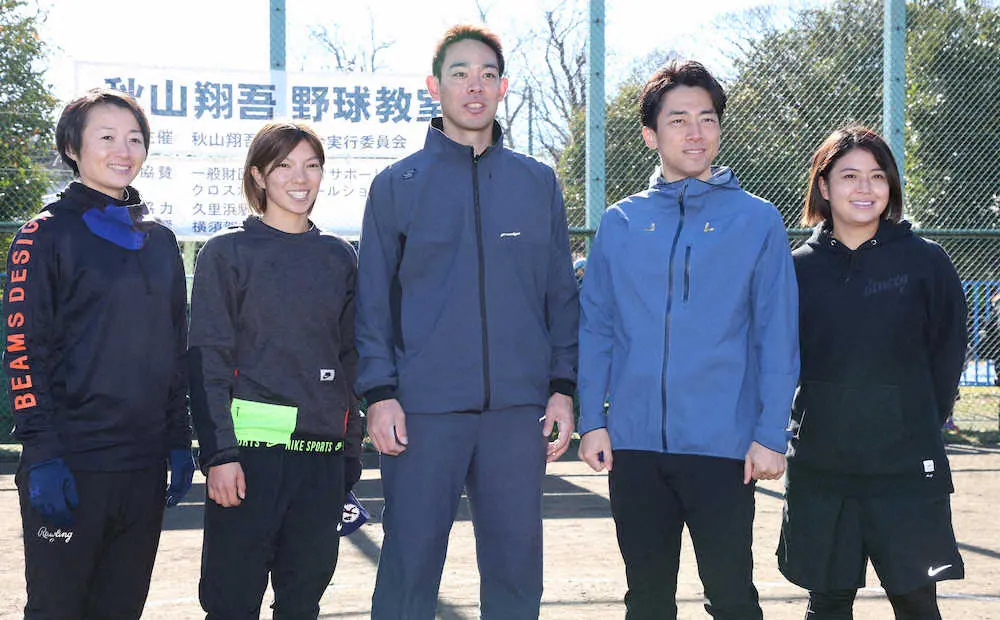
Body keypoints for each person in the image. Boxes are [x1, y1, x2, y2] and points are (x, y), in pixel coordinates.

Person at [355, 24, 579, 620]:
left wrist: (562, 388)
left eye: (487, 75)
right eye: (460, 74)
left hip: (517, 411)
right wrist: (379, 394)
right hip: (422, 410)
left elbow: (560, 295)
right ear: (435, 87)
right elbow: (372, 302)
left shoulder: (537, 182)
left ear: (503, 87)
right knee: (408, 569)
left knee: (515, 573)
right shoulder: (395, 186)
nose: (474, 86)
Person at [577, 60, 800, 620]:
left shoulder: (757, 220)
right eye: (678, 120)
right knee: (646, 599)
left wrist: (770, 433)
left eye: (707, 118)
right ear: (650, 135)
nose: (695, 132)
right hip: (634, 445)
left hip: (725, 447)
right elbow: (598, 328)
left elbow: (777, 335)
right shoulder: (620, 222)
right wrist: (592, 420)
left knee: (732, 597)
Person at [2, 87, 194, 619]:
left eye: (134, 138)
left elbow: (174, 351)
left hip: (143, 466)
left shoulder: (160, 242)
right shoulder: (43, 234)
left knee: (121, 608)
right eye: (106, 137)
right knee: (58, 608)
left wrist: (178, 440)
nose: (123, 151)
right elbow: (22, 350)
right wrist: (42, 452)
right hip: (71, 463)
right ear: (72, 147)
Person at [777, 126, 967, 619]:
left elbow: (947, 355)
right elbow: (779, 361)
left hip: (905, 467)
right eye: (849, 176)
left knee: (916, 601)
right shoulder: (795, 269)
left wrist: (912, 420)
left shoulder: (927, 262)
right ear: (823, 186)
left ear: (891, 185)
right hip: (822, 467)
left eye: (877, 176)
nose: (865, 188)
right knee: (827, 602)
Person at [188, 121, 363, 619]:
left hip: (321, 460)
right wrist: (220, 454)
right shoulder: (226, 252)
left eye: (312, 165)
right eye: (284, 165)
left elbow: (349, 360)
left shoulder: (339, 257)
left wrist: (349, 454)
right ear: (259, 176)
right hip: (247, 462)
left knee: (302, 601)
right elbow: (207, 358)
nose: (300, 178)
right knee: (230, 603)